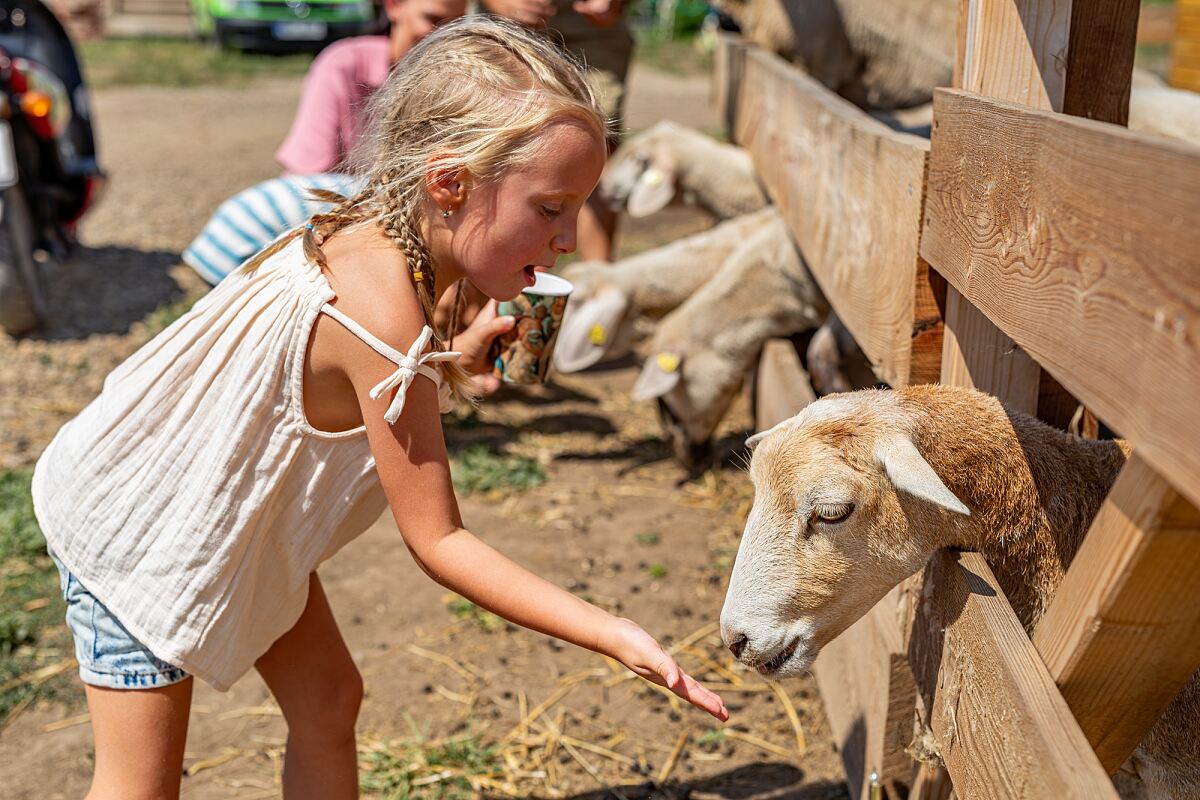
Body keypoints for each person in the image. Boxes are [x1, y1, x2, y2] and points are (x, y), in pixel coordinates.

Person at [32, 18, 726, 800]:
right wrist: (610, 631)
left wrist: (451, 362)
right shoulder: (381, 312)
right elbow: (440, 541)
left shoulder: (386, 233)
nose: (568, 237)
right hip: (146, 526)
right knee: (138, 786)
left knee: (329, 699)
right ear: (450, 183)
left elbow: (343, 376)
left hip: (233, 515)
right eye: (550, 208)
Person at [478, 0, 631, 261]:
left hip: (592, 25)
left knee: (597, 141)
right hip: (507, 14)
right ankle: (484, 283)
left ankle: (594, 286)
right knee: (496, 147)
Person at [275, 0, 466, 175]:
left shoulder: (457, 85)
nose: (444, 36)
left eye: (456, 25)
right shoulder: (343, 66)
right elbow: (306, 180)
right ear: (394, 6)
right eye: (433, 19)